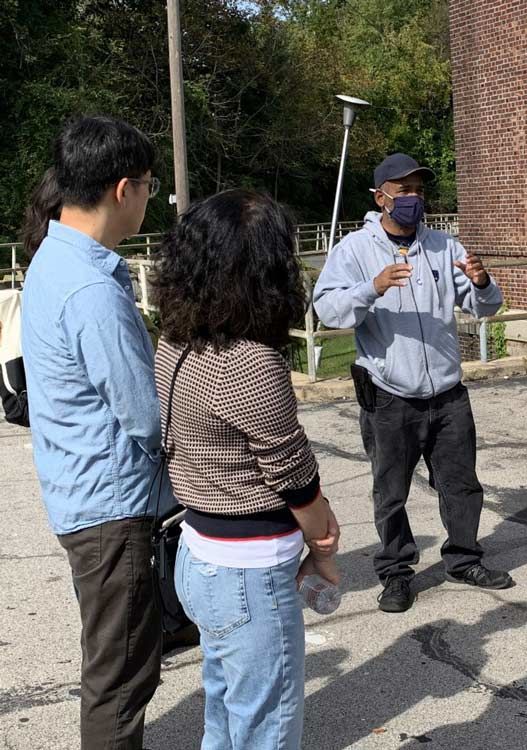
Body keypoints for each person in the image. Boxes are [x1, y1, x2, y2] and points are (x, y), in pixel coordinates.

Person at [152, 189, 341, 748]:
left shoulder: (176, 341)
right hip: (247, 571)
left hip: (200, 556)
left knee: (226, 710)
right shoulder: (250, 361)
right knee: (268, 724)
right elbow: (295, 477)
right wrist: (326, 547)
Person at [313, 152, 513, 614]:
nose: (413, 198)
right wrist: (372, 288)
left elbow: (484, 309)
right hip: (389, 395)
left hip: (447, 394)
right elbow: (328, 310)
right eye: (403, 191)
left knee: (462, 484)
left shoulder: (446, 246)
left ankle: (464, 559)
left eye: (419, 190)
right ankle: (396, 573)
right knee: (391, 491)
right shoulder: (355, 250)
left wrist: (483, 285)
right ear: (380, 197)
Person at [20, 116, 163, 749]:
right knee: (119, 679)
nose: (148, 202)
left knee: (115, 662)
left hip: (80, 494)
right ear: (123, 188)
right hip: (110, 510)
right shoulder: (91, 291)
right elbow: (144, 414)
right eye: (150, 188)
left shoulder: (52, 258)